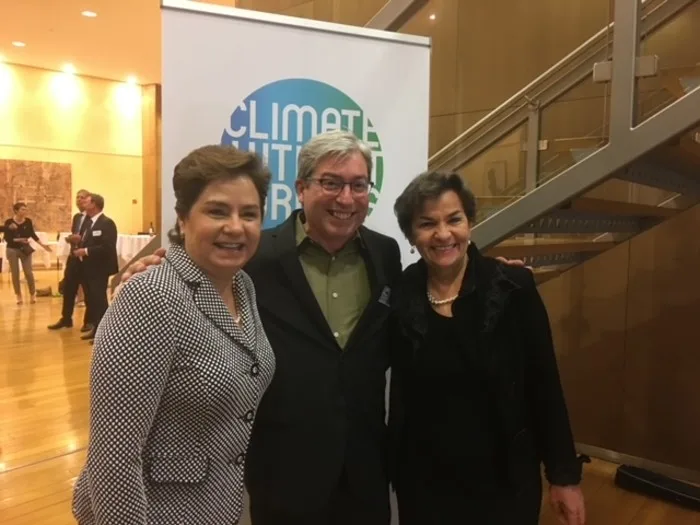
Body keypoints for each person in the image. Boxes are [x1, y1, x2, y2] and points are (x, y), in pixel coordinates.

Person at [121, 131, 528, 525]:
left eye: (358, 185)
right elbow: (201, 277)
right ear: (301, 187)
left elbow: (436, 288)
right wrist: (153, 267)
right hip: (284, 473)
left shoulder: (385, 254)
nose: (345, 199)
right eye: (330, 183)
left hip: (366, 473)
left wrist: (491, 273)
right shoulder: (254, 254)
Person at [71, 145, 276, 525]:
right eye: (217, 211)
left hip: (223, 506)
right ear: (183, 219)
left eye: (249, 214)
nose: (235, 226)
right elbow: (114, 456)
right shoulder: (151, 296)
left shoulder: (242, 286)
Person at [388, 171, 586, 525]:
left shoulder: (513, 287)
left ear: (470, 222)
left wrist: (564, 476)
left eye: (454, 219)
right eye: (427, 224)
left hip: (505, 482)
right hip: (425, 485)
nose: (444, 234)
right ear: (411, 235)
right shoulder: (401, 294)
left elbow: (545, 386)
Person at [71, 193, 119, 342]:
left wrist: (85, 251)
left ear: (95, 204)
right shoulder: (87, 223)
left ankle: (105, 332)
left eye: (87, 200)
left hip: (100, 268)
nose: (84, 202)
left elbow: (108, 247)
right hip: (87, 268)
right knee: (91, 300)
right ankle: (96, 329)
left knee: (99, 300)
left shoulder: (107, 223)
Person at [49, 189, 93, 332]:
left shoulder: (93, 218)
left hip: (86, 259)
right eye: (77, 197)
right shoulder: (76, 217)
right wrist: (72, 241)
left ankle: (89, 322)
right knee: (68, 289)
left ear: (89, 200)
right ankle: (66, 319)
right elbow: (76, 235)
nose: (79, 200)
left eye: (82, 197)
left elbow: (91, 239)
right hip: (73, 257)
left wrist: (81, 242)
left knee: (88, 291)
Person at [3, 202, 52, 304]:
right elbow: (7, 239)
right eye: (22, 209)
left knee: (28, 273)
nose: (25, 211)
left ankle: (32, 294)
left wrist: (43, 245)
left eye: (25, 209)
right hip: (12, 250)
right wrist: (20, 240)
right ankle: (18, 296)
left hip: (25, 249)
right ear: (16, 211)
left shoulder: (28, 221)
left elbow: (32, 235)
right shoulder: (9, 222)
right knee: (15, 274)